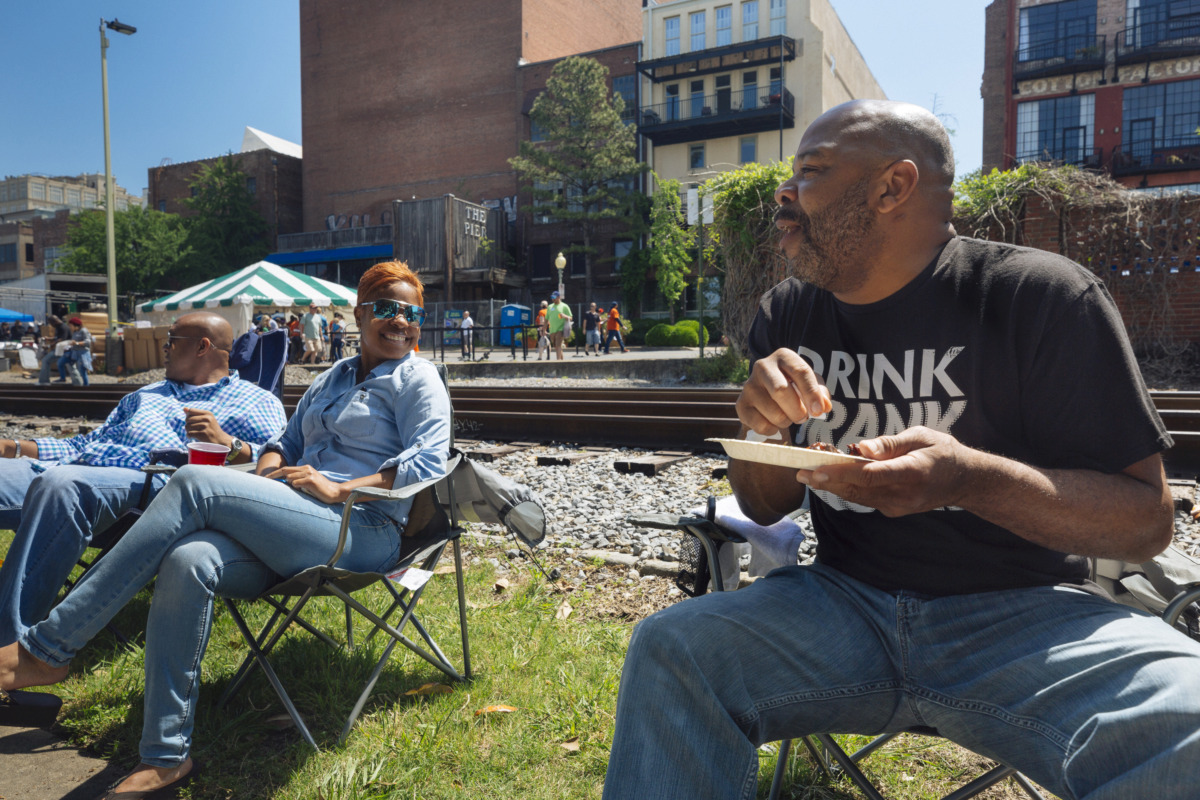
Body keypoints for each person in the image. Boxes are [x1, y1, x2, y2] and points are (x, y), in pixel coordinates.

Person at [602, 100, 1200, 799]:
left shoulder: (1041, 297)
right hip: (841, 606)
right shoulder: (791, 310)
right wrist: (760, 431)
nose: (783, 193)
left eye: (813, 171)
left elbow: (1145, 523)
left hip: (1026, 617)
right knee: (672, 650)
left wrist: (969, 479)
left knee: (1187, 720)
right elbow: (766, 508)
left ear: (893, 187)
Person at [0, 260, 451, 798]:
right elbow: (284, 442)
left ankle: (47, 650)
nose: (400, 321)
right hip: (294, 518)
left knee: (195, 480)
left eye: (411, 313)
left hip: (362, 527)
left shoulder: (417, 376)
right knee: (190, 559)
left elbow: (431, 460)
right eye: (386, 308)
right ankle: (166, 757)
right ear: (359, 313)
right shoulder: (333, 376)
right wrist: (265, 473)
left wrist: (342, 487)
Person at [0, 311, 288, 648]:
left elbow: (276, 461)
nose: (164, 349)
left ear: (202, 347)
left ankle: (10, 646)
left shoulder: (256, 400)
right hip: (70, 466)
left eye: (171, 342)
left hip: (152, 486)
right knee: (59, 479)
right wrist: (14, 446)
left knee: (63, 486)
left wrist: (228, 442)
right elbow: (84, 443)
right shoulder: (146, 394)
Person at [37, 314, 70, 386]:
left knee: (45, 360)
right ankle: (63, 379)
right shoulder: (59, 327)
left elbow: (61, 339)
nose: (51, 325)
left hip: (63, 350)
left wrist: (49, 346)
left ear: (55, 321)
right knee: (62, 364)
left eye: (51, 323)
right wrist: (49, 338)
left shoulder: (63, 327)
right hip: (61, 349)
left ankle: (43, 381)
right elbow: (58, 337)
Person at [59, 317, 93, 386]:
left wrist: (77, 343)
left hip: (82, 353)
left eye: (70, 325)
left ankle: (86, 386)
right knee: (61, 362)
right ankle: (63, 378)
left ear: (76, 325)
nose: (70, 327)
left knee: (82, 371)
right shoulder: (74, 332)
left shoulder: (83, 331)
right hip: (74, 353)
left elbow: (88, 341)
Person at [547, 291, 572, 361]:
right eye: (552, 297)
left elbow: (571, 317)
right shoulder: (550, 306)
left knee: (558, 345)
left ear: (558, 297)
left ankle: (558, 361)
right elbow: (546, 319)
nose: (553, 299)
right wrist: (543, 329)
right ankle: (561, 361)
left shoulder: (565, 306)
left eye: (554, 297)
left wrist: (565, 316)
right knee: (556, 347)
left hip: (560, 329)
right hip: (552, 330)